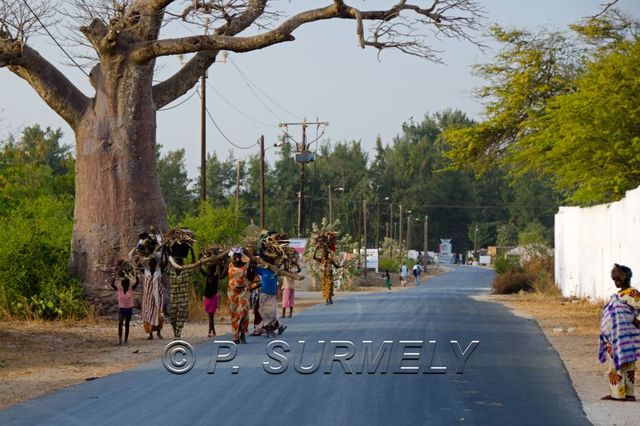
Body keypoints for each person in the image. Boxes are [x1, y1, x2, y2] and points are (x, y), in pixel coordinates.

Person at [599, 263, 640, 401]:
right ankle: (623, 393)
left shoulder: (633, 294)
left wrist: (637, 321)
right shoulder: (617, 295)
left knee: (623, 366)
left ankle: (623, 394)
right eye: (614, 279)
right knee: (621, 365)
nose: (615, 282)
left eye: (617, 279)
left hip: (626, 336)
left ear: (624, 279)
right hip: (614, 336)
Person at [227, 249, 251, 344]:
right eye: (235, 255)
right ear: (232, 256)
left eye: (238, 255)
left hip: (243, 291)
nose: (236, 257)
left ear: (241, 256)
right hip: (232, 292)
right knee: (234, 314)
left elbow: (251, 277)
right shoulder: (229, 265)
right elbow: (221, 275)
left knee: (243, 312)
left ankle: (242, 333)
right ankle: (236, 336)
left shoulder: (245, 265)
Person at [256, 266, 287, 337]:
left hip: (272, 295)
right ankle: (271, 328)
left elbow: (285, 271)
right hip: (263, 294)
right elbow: (253, 268)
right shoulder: (262, 270)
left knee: (273, 314)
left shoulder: (276, 270)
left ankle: (272, 327)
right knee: (263, 312)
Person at [201, 257, 227, 338]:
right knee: (210, 315)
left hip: (213, 298)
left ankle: (210, 331)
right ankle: (213, 331)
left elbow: (223, 272)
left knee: (210, 315)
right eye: (208, 269)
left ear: (212, 270)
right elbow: (200, 268)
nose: (208, 271)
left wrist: (222, 263)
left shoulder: (216, 277)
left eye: (210, 269)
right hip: (207, 298)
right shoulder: (208, 276)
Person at [111, 269, 139, 345]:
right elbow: (112, 284)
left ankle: (126, 340)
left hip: (129, 309)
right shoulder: (119, 289)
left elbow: (137, 282)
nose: (124, 286)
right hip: (122, 309)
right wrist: (114, 276)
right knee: (120, 323)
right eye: (123, 284)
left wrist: (136, 274)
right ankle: (120, 339)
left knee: (127, 324)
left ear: (128, 284)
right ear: (122, 284)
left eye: (126, 284)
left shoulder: (131, 289)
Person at [141, 257, 164, 340]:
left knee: (158, 317)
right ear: (148, 265)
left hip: (157, 299)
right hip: (148, 299)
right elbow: (138, 263)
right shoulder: (146, 272)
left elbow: (159, 287)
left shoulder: (158, 273)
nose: (151, 266)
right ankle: (150, 334)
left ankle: (158, 332)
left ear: (155, 265)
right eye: (150, 264)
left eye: (153, 264)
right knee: (148, 316)